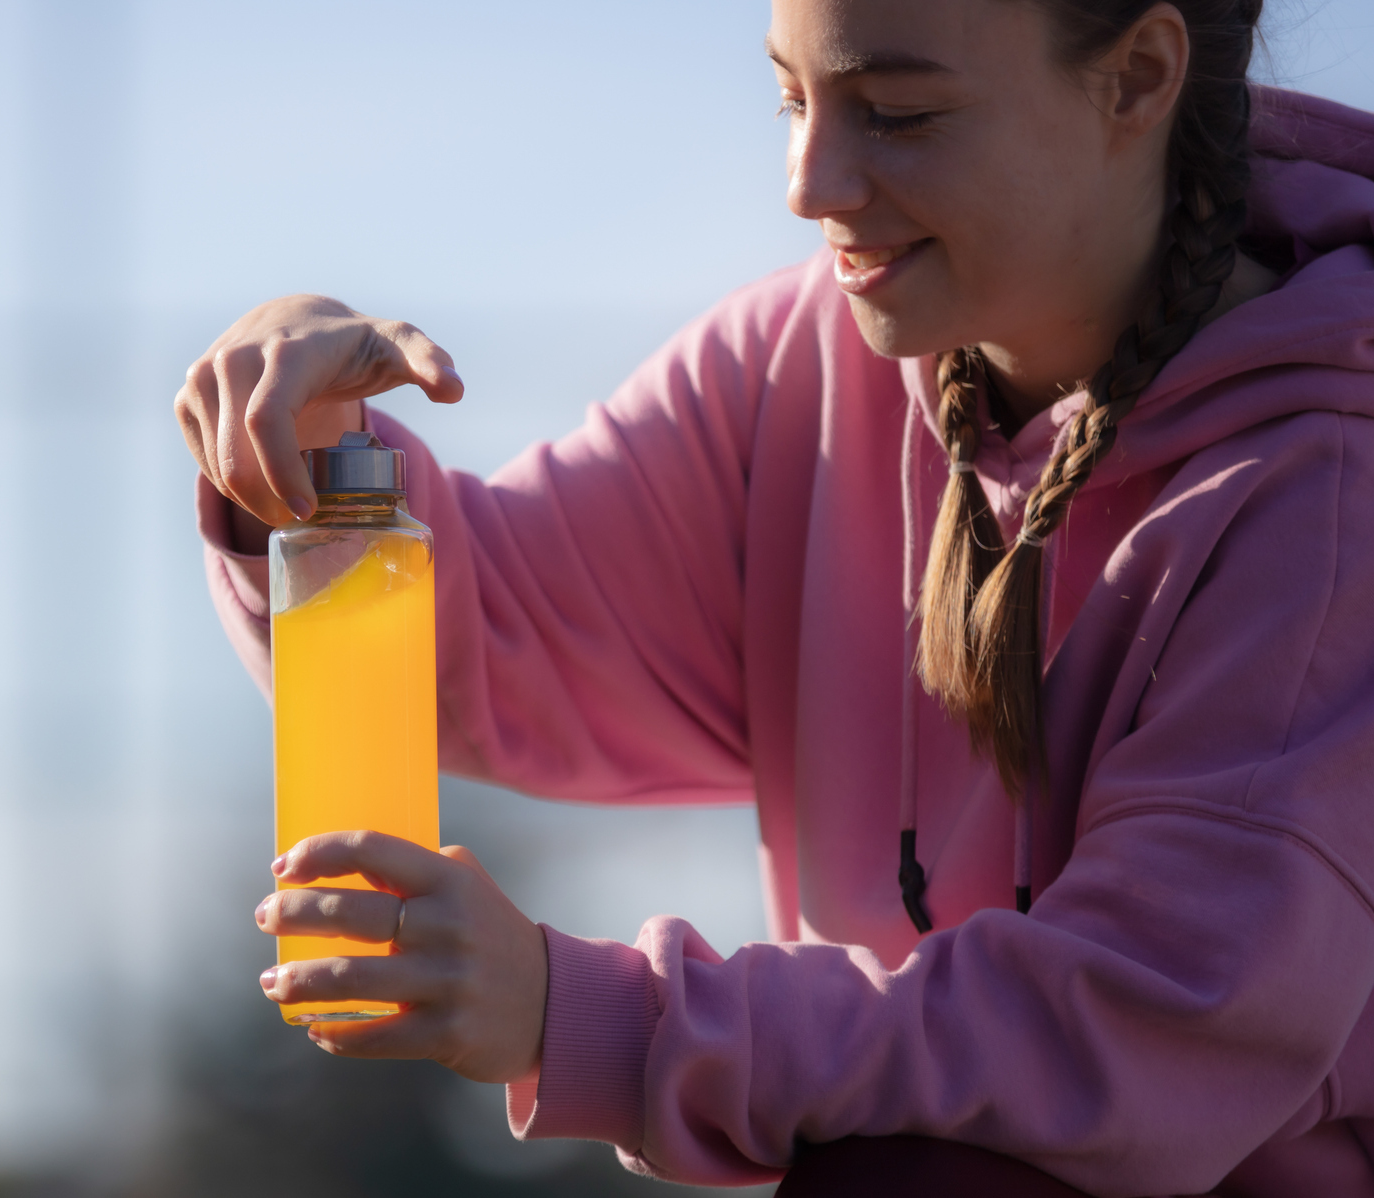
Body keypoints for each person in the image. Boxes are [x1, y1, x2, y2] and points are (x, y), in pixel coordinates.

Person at [175, 0, 1374, 1193]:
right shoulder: (797, 369)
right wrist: (315, 460)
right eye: (792, 99)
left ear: (1137, 75)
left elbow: (1136, 1031)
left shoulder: (1327, 497)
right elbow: (497, 637)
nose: (809, 185)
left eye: (897, 113)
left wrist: (586, 1013)